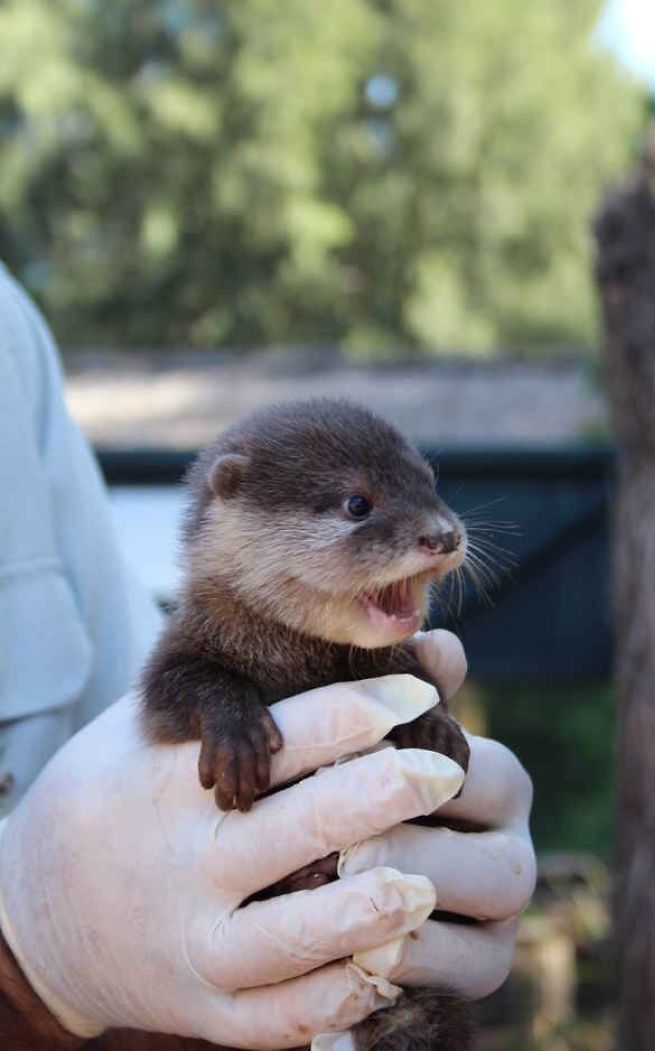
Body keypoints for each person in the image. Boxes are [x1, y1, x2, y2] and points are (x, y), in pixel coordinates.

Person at [0, 262, 536, 1049]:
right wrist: (29, 948)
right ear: (233, 503)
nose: (442, 533)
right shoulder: (213, 629)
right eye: (359, 508)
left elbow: (123, 751)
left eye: (424, 491)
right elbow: (167, 695)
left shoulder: (10, 337)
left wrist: (436, 753)